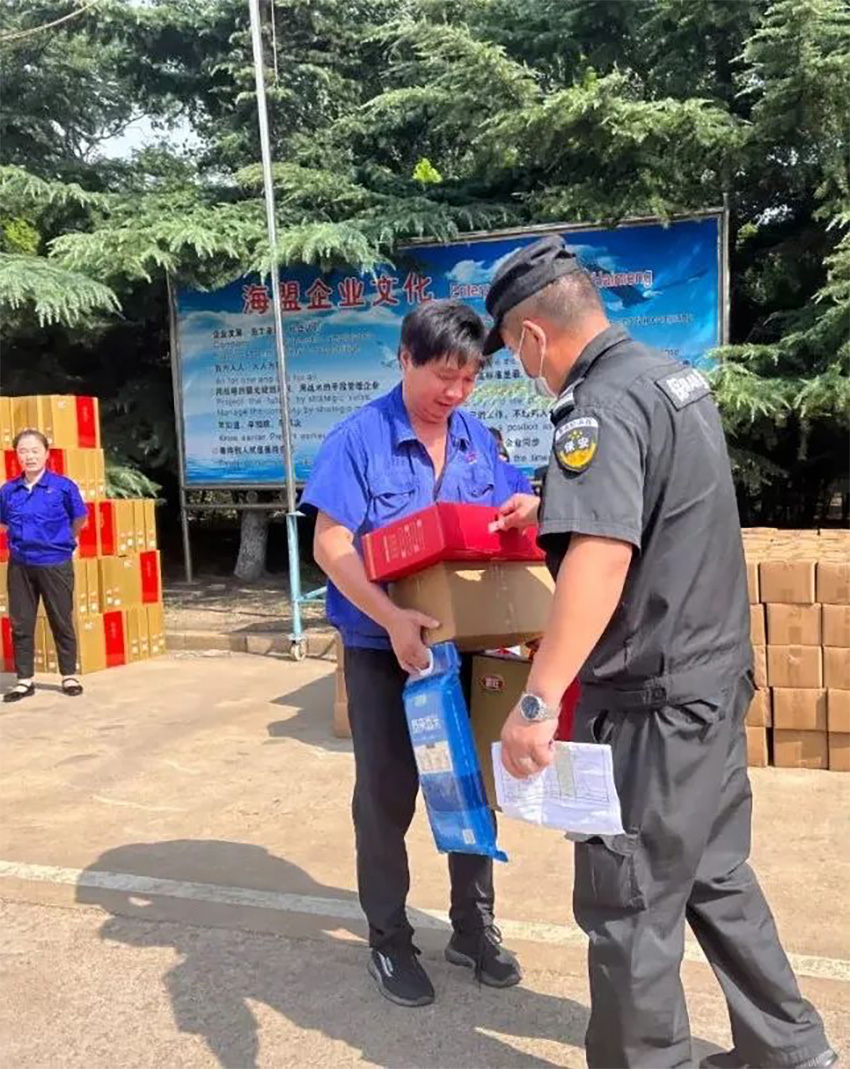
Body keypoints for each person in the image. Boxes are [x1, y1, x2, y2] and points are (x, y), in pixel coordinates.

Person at [484, 236, 836, 1069]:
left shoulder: (594, 408)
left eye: (516, 354)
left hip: (652, 706)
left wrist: (536, 701)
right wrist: (547, 504)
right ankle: (790, 1050)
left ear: (532, 335)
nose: (525, 371)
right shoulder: (669, 378)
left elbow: (602, 558)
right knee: (715, 871)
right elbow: (659, 502)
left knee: (630, 903)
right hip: (711, 681)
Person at [302, 299, 528, 1009]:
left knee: (471, 784)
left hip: (464, 646)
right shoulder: (358, 440)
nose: (455, 393)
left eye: (470, 378)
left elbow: (514, 510)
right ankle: (389, 939)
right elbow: (330, 544)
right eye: (442, 376)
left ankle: (472, 926)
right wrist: (393, 618)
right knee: (386, 795)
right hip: (382, 649)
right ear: (405, 359)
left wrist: (530, 509)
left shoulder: (477, 441)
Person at [0, 429, 87, 703]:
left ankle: (69, 675)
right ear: (17, 456)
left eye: (35, 450)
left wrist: (63, 542)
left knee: (60, 620)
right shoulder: (8, 490)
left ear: (46, 453)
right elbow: (3, 523)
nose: (29, 456)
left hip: (55, 563)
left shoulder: (63, 487)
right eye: (23, 451)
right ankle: (24, 680)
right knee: (21, 623)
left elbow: (79, 519)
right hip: (20, 565)